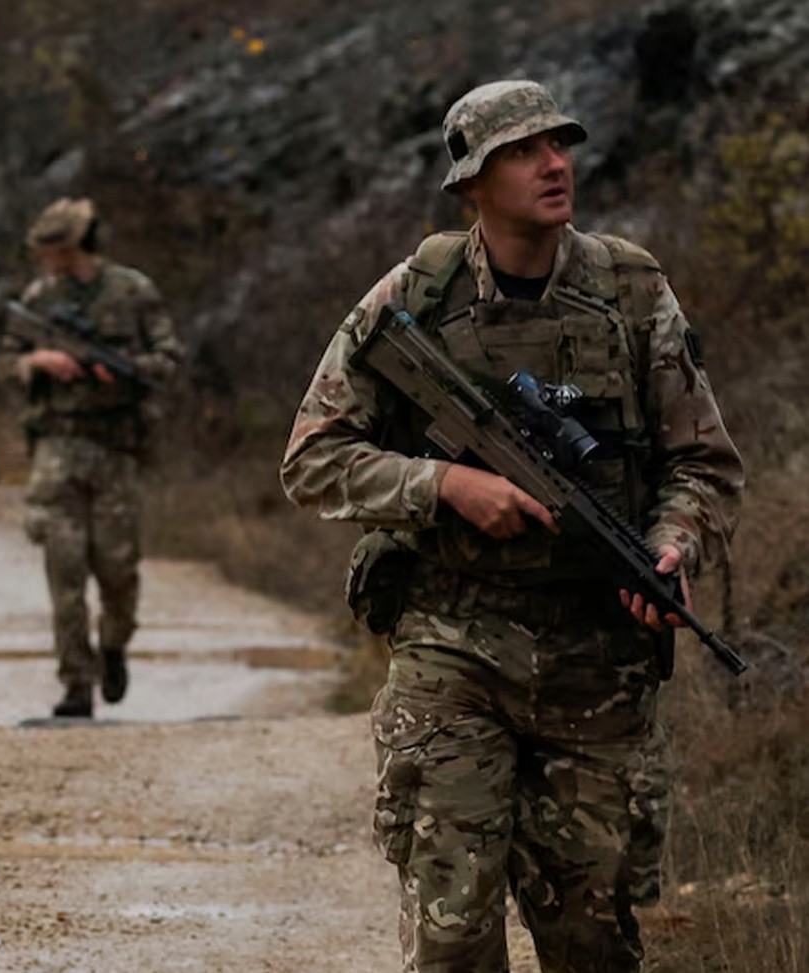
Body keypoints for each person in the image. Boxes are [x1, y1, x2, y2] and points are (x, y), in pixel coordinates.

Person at [280, 80, 744, 972]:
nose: (555, 163)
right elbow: (311, 459)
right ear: (472, 183)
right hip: (454, 647)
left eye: (560, 144)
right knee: (452, 941)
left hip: (597, 665)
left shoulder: (630, 287)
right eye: (524, 151)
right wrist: (443, 483)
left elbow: (704, 464)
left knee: (594, 941)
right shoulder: (416, 293)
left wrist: (673, 540)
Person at [0, 199, 183, 719]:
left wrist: (123, 372)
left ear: (72, 248)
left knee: (118, 572)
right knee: (65, 572)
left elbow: (169, 359)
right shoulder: (39, 300)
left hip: (116, 450)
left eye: (52, 251)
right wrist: (39, 362)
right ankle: (76, 684)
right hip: (57, 450)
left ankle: (114, 647)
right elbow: (6, 363)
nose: (45, 260)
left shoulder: (133, 291)